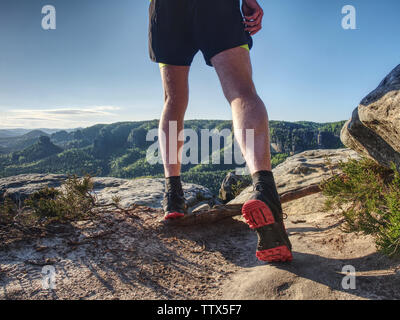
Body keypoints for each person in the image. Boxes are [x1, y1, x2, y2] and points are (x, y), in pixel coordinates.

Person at [148, 0, 292, 262]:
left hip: (166, 8)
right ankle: (264, 189)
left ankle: (173, 196)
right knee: (241, 91)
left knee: (173, 100)